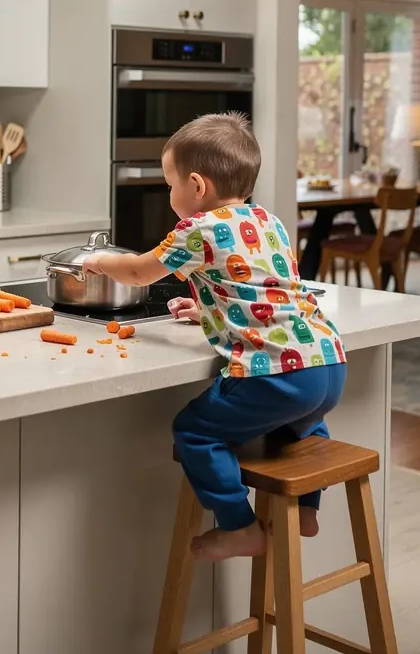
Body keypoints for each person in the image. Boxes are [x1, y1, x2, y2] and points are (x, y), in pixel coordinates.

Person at [81, 112, 346, 562]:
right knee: (301, 425)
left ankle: (239, 526)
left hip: (275, 374)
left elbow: (140, 271)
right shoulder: (268, 221)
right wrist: (207, 310)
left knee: (195, 431)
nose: (170, 195)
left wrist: (100, 262)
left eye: (170, 185)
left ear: (196, 186)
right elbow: (261, 290)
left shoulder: (197, 229)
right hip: (327, 363)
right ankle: (305, 509)